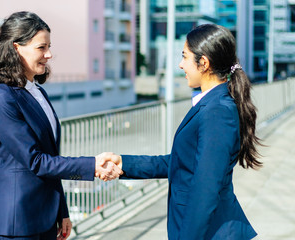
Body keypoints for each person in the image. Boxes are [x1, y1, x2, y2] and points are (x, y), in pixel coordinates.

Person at [110, 24, 262, 239]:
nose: (181, 65)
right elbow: (182, 162)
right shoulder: (212, 104)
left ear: (204, 63)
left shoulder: (217, 110)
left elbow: (206, 188)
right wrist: (123, 163)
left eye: (185, 57)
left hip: (210, 231)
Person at [0, 11, 122, 240]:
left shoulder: (38, 92)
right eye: (41, 48)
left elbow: (51, 156)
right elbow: (35, 161)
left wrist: (62, 211)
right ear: (16, 48)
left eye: (49, 47)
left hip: (46, 216)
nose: (49, 54)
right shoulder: (2, 98)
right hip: (19, 220)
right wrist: (92, 165)